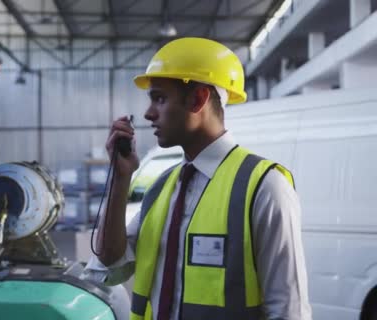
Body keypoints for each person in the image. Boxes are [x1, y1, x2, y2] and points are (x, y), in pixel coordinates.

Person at [86, 37, 312, 320]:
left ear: (198, 99)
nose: (148, 113)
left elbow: (289, 309)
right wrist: (121, 179)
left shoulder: (265, 187)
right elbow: (109, 266)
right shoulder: (161, 189)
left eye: (160, 98)